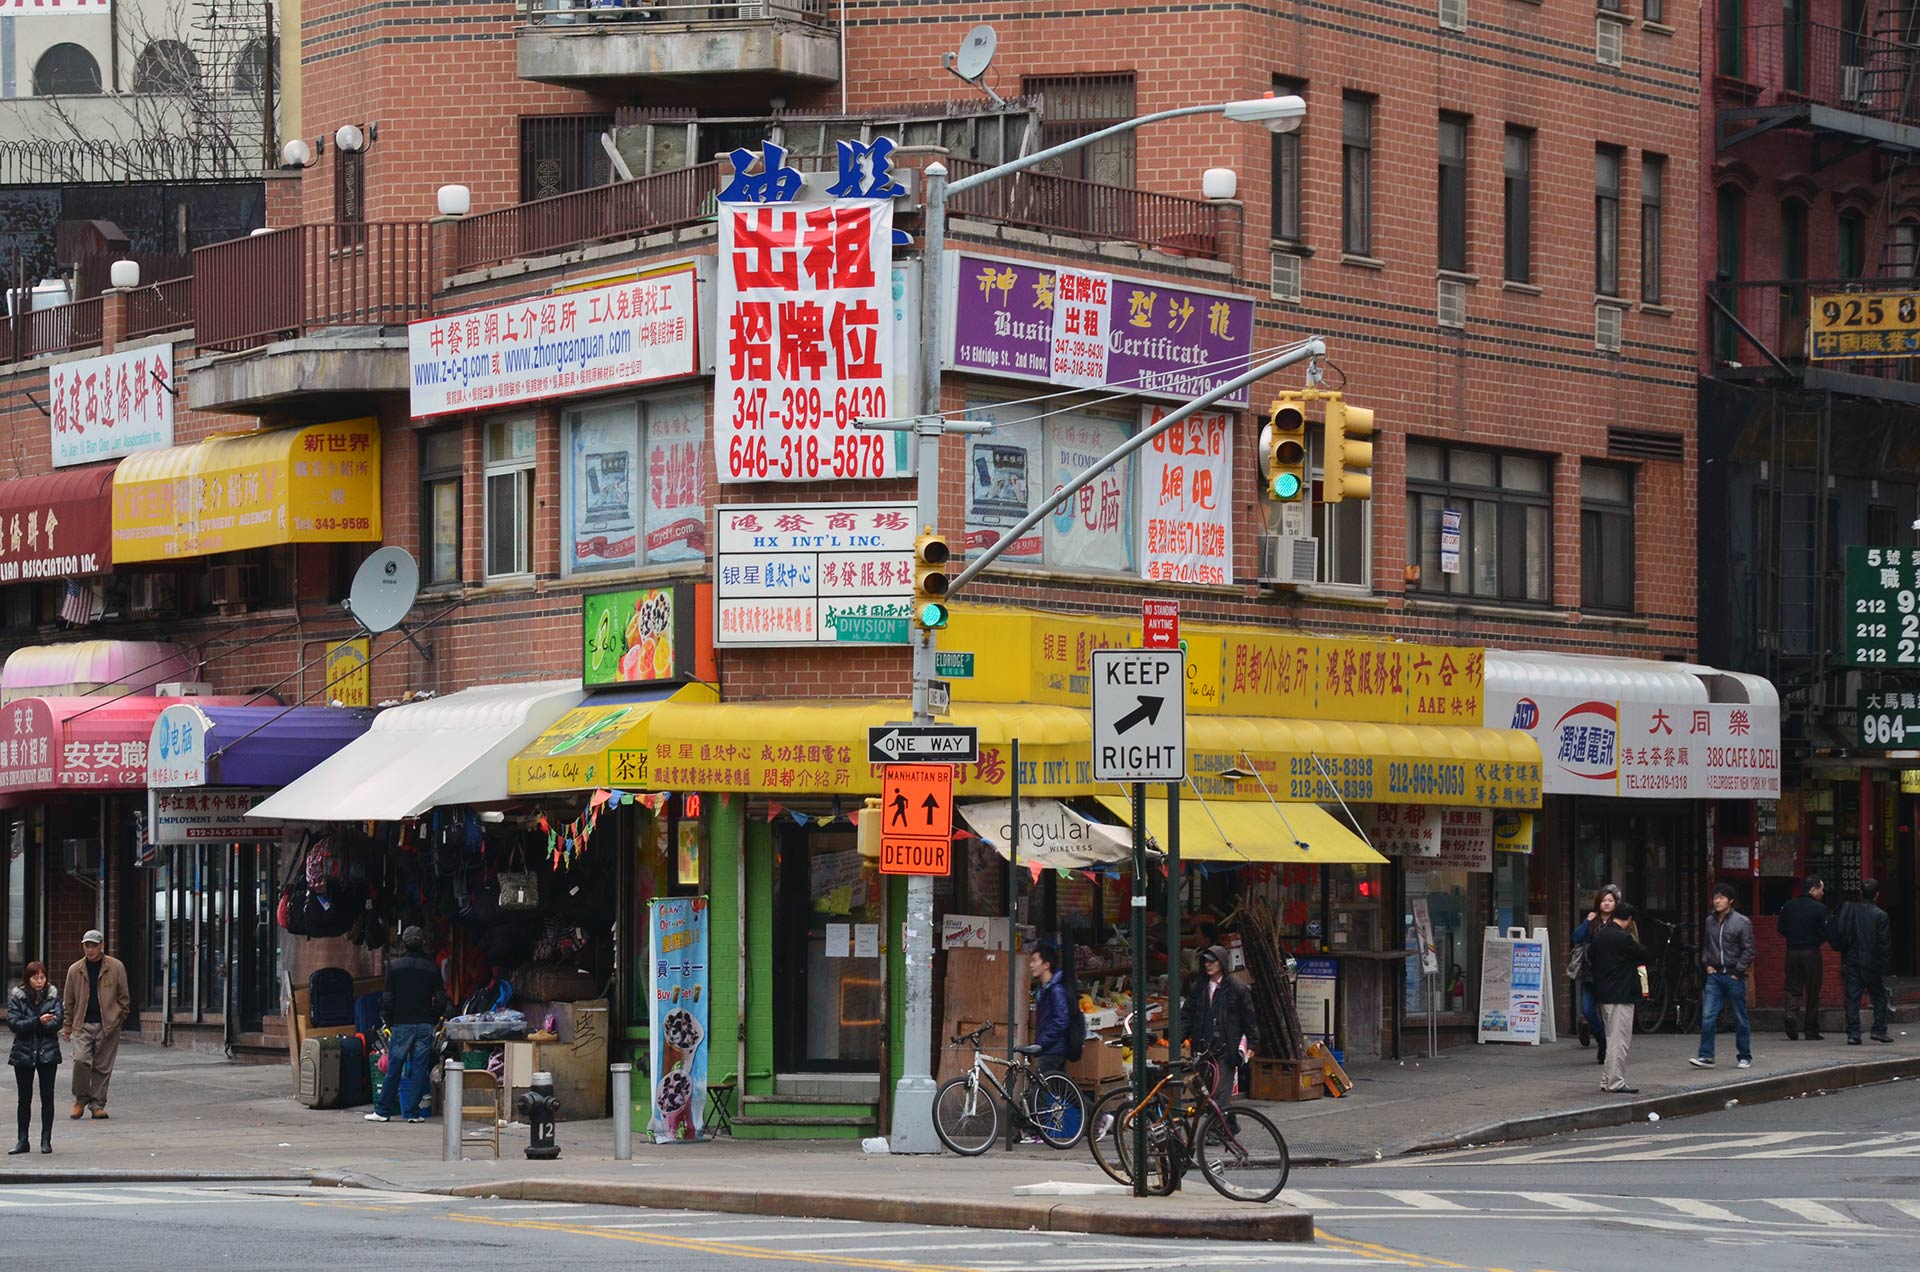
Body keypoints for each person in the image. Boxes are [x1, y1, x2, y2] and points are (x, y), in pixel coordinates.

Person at [366, 926, 447, 1124]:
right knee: (420, 1068)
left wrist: (390, 1020)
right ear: (423, 943)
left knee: (395, 1066)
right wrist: (433, 1018)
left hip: (402, 1023)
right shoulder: (431, 967)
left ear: (404, 943)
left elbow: (388, 998)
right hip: (424, 1023)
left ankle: (384, 1110)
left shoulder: (395, 967)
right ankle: (412, 1112)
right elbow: (441, 999)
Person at [60, 929, 129, 1119]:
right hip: (82, 1024)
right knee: (81, 1060)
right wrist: (67, 1027)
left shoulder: (115, 967)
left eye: (93, 946)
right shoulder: (75, 970)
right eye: (86, 946)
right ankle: (80, 1099)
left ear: (102, 946)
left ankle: (97, 1104)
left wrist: (118, 1018)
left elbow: (124, 998)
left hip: (108, 1025)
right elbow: (69, 1001)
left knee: (102, 1066)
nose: (89, 950)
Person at [1690, 882, 1755, 1070]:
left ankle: (1744, 1056)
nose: (1717, 901)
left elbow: (1749, 950)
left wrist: (1738, 971)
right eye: (1715, 898)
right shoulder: (1709, 921)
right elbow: (1706, 946)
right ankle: (1706, 1056)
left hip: (1734, 975)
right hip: (1715, 976)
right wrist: (1707, 965)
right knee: (1708, 1015)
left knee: (1740, 1017)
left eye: (1721, 898)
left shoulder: (1741, 922)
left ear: (1730, 900)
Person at [1182, 945, 1257, 1102]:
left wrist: (1251, 1044)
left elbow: (1248, 1019)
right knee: (1206, 1096)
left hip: (1226, 1049)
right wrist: (1177, 1038)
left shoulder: (1237, 989)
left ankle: (1219, 1125)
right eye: (1206, 962)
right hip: (1202, 1049)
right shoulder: (1198, 988)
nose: (1208, 965)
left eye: (1213, 961)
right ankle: (1229, 1126)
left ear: (1222, 963)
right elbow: (1187, 1016)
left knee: (1220, 1095)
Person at [1589, 901, 1650, 1094]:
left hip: (1604, 993)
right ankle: (1616, 1081)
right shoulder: (1624, 938)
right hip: (1621, 994)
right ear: (1629, 919)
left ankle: (1607, 1079)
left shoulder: (1599, 935)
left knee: (1611, 1037)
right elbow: (1644, 954)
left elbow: (1590, 955)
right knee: (1619, 1041)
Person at [8, 962, 62, 1154]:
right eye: (35, 977)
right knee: (24, 1098)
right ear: (27, 979)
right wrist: (38, 1021)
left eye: (42, 977)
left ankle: (46, 1140)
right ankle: (23, 1140)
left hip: (48, 1052)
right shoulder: (18, 997)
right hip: (23, 1052)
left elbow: (56, 1022)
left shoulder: (53, 995)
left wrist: (35, 1025)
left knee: (47, 1097)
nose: (39, 981)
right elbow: (14, 1024)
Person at [1832, 879, 1893, 1046]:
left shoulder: (1851, 911)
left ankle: (1853, 1034)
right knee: (1879, 997)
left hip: (1853, 960)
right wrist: (1885, 966)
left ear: (1860, 893)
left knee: (1852, 998)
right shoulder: (1881, 915)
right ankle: (1879, 1029)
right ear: (1877, 895)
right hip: (1872, 963)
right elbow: (1884, 943)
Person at [1572, 886, 1624, 1067]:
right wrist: (1587, 921)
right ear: (1598, 903)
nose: (1607, 903)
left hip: (1609, 976)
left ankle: (1607, 1048)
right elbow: (1576, 937)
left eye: (1610, 900)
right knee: (1587, 1010)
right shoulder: (1592, 922)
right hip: (1590, 975)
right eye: (1604, 900)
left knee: (1609, 1014)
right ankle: (1603, 1040)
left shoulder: (1618, 922)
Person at [1776, 875, 1831, 1041]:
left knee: (1793, 986)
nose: (1823, 893)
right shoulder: (1820, 909)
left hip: (1792, 951)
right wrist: (1817, 939)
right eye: (1821, 889)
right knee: (1813, 990)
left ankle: (1791, 1013)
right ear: (1813, 889)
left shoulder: (1788, 906)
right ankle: (1811, 1029)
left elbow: (1781, 928)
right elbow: (1825, 932)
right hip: (1811, 952)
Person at [1026, 945, 1071, 1077]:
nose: (1031, 965)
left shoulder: (1055, 990)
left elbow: (1061, 1021)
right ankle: (1079, 1099)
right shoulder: (1043, 988)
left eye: (1034, 961)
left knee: (1038, 1090)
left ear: (1046, 965)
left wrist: (1041, 1042)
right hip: (1052, 1047)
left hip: (1054, 1049)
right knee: (1062, 1088)